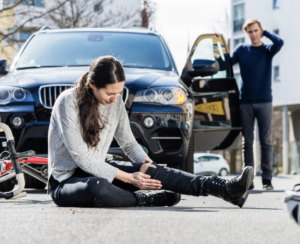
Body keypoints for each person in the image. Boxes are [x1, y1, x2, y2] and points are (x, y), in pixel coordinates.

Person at [48, 55, 254, 208]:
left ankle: (224, 189)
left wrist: (149, 165)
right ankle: (142, 199)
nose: (115, 98)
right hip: (66, 182)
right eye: (110, 93)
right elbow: (82, 159)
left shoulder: (115, 99)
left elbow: (128, 143)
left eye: (119, 92)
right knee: (98, 186)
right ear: (92, 85)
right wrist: (130, 179)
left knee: (149, 169)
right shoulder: (68, 102)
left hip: (99, 168)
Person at [220, 19, 283, 190]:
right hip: (245, 102)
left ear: (260, 31)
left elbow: (280, 42)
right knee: (247, 142)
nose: (253, 34)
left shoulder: (267, 50)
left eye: (256, 31)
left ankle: (267, 180)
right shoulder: (242, 50)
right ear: (246, 33)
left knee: (266, 141)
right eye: (250, 32)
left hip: (265, 102)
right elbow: (226, 63)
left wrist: (266, 32)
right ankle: (248, 179)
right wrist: (219, 44)